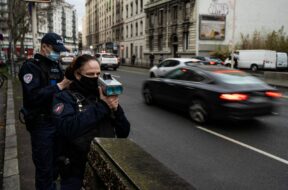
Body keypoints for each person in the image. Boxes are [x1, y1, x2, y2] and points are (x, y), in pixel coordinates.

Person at [52, 54, 130, 189]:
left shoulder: (103, 96)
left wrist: (117, 110)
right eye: (90, 74)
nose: (95, 78)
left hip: (104, 168)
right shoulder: (65, 97)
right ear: (78, 75)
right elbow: (67, 129)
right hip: (75, 173)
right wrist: (102, 106)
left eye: (98, 74)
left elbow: (124, 132)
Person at [18, 32, 71, 190]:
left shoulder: (55, 66)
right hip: (41, 124)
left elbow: (64, 91)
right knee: (44, 169)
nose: (57, 53)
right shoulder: (30, 67)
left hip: (57, 121)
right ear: (44, 47)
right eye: (55, 49)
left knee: (56, 165)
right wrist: (60, 86)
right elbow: (33, 96)